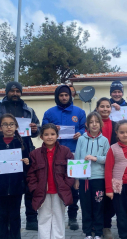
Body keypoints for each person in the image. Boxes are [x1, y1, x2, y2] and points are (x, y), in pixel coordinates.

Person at [0, 81, 40, 231]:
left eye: (18, 91)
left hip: (23, 148)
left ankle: (31, 217)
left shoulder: (28, 109)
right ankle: (6, 217)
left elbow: (37, 128)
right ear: (7, 92)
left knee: (28, 184)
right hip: (2, 147)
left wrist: (35, 129)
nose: (15, 93)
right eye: (12, 91)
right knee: (5, 181)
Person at [26, 124, 75, 239]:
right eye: (46, 134)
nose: (49, 137)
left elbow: (71, 171)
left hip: (60, 191)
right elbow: (30, 174)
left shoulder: (65, 151)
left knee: (58, 218)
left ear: (57, 136)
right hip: (42, 192)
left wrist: (66, 185)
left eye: (52, 134)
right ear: (41, 137)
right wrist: (35, 189)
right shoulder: (34, 154)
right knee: (44, 218)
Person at [42, 85, 86, 230]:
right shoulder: (49, 112)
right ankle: (55, 214)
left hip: (75, 153)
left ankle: (72, 216)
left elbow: (84, 128)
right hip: (55, 154)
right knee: (56, 184)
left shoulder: (79, 112)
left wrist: (80, 133)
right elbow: (44, 130)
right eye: (61, 95)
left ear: (71, 96)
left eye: (66, 95)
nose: (64, 97)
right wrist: (52, 128)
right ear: (57, 97)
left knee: (74, 185)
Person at [0, 114, 30, 239]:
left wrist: (27, 161)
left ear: (16, 126)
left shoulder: (23, 142)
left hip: (16, 185)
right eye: (5, 124)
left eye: (11, 124)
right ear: (0, 127)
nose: (8, 127)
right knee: (2, 216)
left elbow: (30, 160)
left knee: (14, 215)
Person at [74, 112, 110, 239]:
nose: (94, 124)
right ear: (87, 125)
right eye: (91, 122)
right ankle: (88, 235)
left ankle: (98, 236)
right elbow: (77, 158)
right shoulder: (81, 140)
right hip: (84, 180)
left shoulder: (104, 140)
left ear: (101, 124)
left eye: (97, 121)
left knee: (98, 207)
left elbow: (108, 158)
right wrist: (77, 179)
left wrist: (96, 158)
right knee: (86, 207)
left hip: (98, 179)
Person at [95, 97, 117, 239]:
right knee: (97, 196)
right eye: (102, 106)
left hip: (113, 164)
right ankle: (95, 225)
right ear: (97, 108)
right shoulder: (93, 124)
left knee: (110, 197)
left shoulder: (116, 125)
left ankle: (106, 227)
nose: (105, 109)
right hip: (96, 165)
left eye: (107, 106)